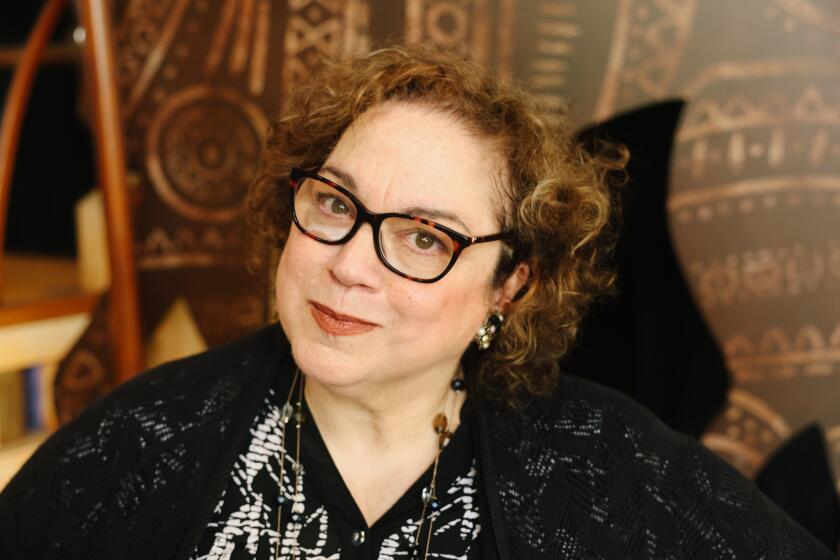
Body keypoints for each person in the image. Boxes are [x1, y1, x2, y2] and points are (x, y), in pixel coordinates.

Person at [0, 44, 833, 560]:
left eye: (425, 238)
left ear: (510, 285)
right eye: (334, 203)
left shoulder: (609, 467)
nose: (351, 265)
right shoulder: (147, 437)